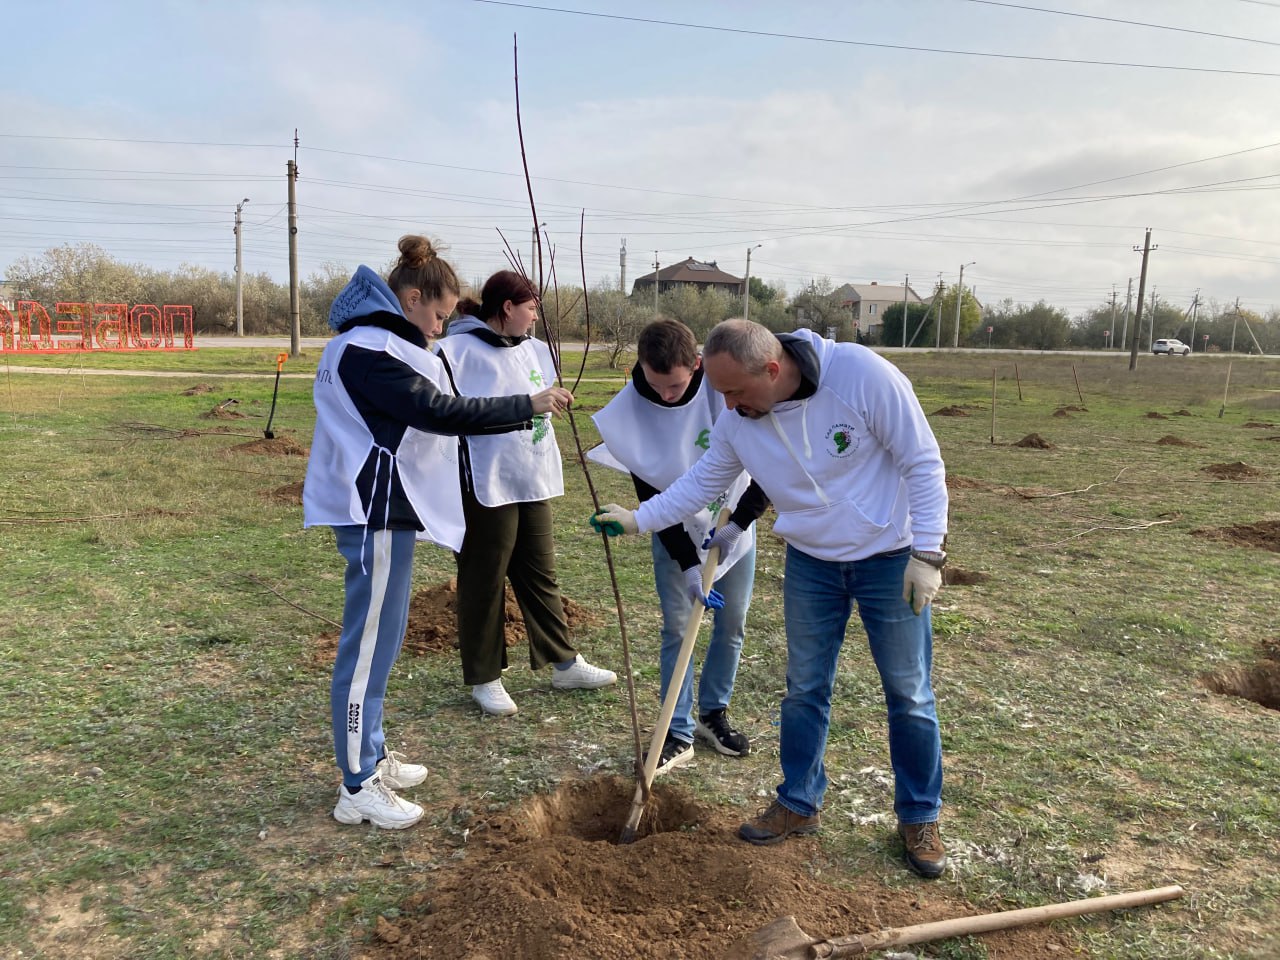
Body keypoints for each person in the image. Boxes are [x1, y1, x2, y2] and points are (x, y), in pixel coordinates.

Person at [595, 318, 950, 879]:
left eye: (735, 392)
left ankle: (919, 816)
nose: (728, 407)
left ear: (773, 368)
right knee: (805, 687)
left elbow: (921, 461)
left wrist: (927, 553)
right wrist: (639, 519)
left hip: (889, 557)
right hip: (812, 563)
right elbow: (701, 482)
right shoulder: (739, 416)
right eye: (720, 394)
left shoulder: (860, 376)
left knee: (907, 692)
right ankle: (798, 802)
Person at [303, 236, 574, 830]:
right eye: (438, 315)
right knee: (369, 645)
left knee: (386, 638)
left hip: (386, 510)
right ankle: (357, 784)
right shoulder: (369, 351)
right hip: (372, 509)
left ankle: (370, 752)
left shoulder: (373, 344)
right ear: (409, 297)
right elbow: (439, 412)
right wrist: (525, 404)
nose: (439, 328)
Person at [587, 319, 767, 773]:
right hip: (675, 535)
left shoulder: (727, 388)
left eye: (676, 385)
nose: (666, 395)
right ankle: (677, 730)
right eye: (655, 384)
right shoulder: (631, 415)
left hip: (733, 526)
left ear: (697, 365)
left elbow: (768, 468)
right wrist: (687, 563)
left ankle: (713, 714)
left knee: (732, 623)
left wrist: (738, 525)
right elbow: (651, 498)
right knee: (678, 629)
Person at [435, 270, 616, 718]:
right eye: (531, 307)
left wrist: (553, 402)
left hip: (530, 474)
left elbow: (539, 404)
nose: (536, 316)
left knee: (540, 570)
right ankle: (485, 677)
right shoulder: (456, 351)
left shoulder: (537, 350)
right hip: (484, 479)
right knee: (485, 576)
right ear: (507, 308)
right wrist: (527, 406)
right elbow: (455, 415)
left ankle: (564, 662)